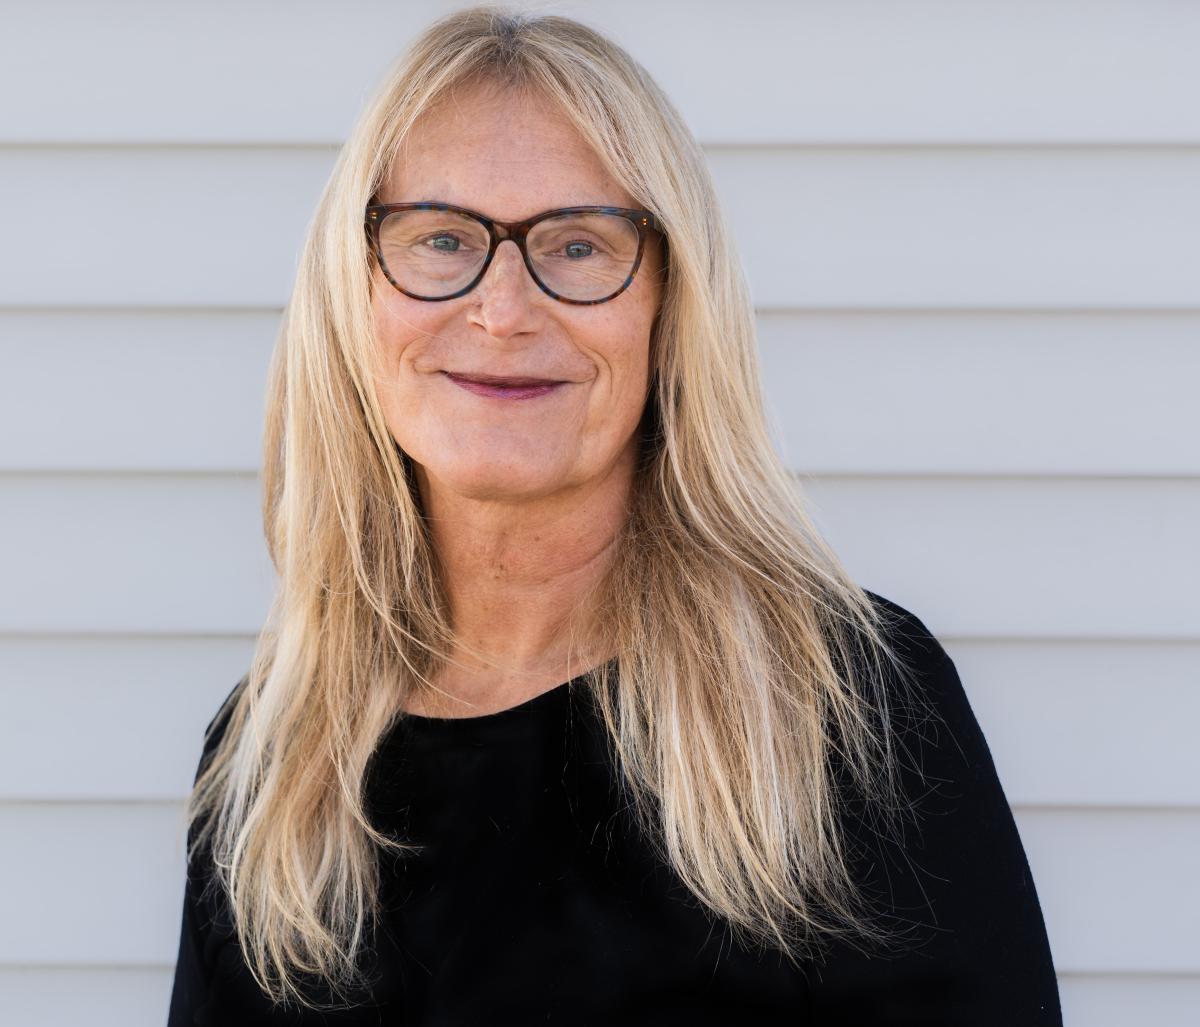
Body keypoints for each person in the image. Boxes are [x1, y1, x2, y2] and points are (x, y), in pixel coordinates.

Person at [166, 6, 1062, 1025]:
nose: (503, 309)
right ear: (354, 298)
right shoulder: (273, 756)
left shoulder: (843, 706)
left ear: (669, 309)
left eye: (580, 246)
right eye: (443, 238)